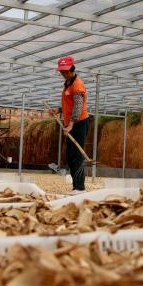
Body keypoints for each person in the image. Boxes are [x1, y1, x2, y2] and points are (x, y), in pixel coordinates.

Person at [49, 56, 89, 194]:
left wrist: (71, 124)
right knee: (70, 155)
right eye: (62, 72)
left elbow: (78, 107)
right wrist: (58, 110)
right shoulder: (68, 83)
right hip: (71, 123)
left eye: (66, 71)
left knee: (76, 155)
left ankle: (80, 188)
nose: (63, 74)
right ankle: (75, 186)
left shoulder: (77, 85)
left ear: (72, 69)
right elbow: (69, 104)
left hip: (79, 123)